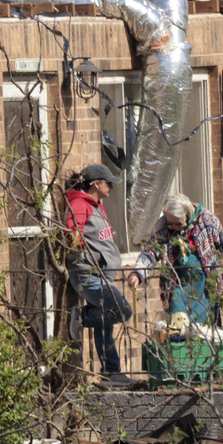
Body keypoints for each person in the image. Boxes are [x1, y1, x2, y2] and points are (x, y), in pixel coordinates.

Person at [64, 163, 133, 385]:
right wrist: (81, 252)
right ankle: (81, 318)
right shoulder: (78, 203)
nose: (111, 187)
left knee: (105, 325)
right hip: (87, 276)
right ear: (97, 183)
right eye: (108, 183)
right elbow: (72, 233)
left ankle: (111, 373)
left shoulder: (96, 205)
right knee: (121, 309)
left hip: (101, 275)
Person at [126, 194, 223, 326]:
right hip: (177, 286)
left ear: (187, 214)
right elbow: (150, 252)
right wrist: (138, 273)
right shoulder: (162, 227)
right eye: (170, 223)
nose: (173, 226)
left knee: (208, 331)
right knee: (179, 326)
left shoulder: (207, 220)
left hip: (206, 286)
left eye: (178, 223)